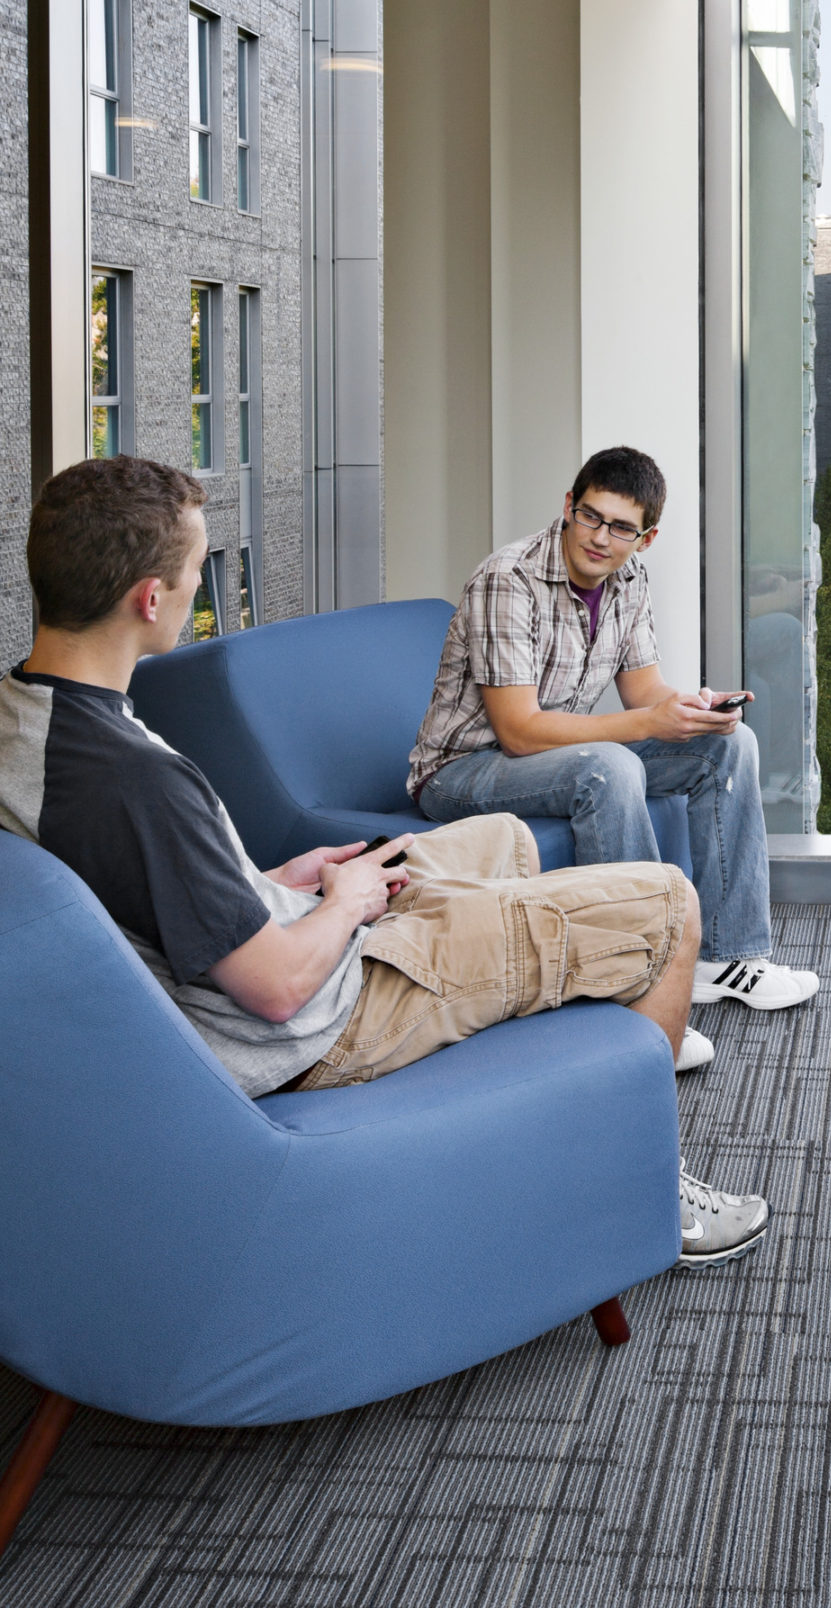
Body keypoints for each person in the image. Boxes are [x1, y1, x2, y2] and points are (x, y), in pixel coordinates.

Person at [0, 457, 767, 1262]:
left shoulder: (37, 721)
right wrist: (345, 903)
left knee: (502, 841)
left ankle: (553, 1078)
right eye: (198, 570)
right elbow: (277, 987)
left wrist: (269, 883)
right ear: (149, 599)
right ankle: (648, 1189)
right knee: (667, 904)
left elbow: (127, 891)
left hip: (273, 945)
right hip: (318, 1022)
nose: (201, 588)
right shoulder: (137, 778)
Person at [408, 448, 816, 1021]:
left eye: (622, 528)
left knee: (729, 746)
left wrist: (694, 708)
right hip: (461, 771)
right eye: (591, 516)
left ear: (645, 538)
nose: (601, 538)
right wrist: (647, 724)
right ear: (570, 506)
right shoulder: (509, 580)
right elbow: (518, 732)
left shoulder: (629, 580)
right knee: (609, 765)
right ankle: (643, 986)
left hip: (549, 757)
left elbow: (645, 693)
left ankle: (727, 957)